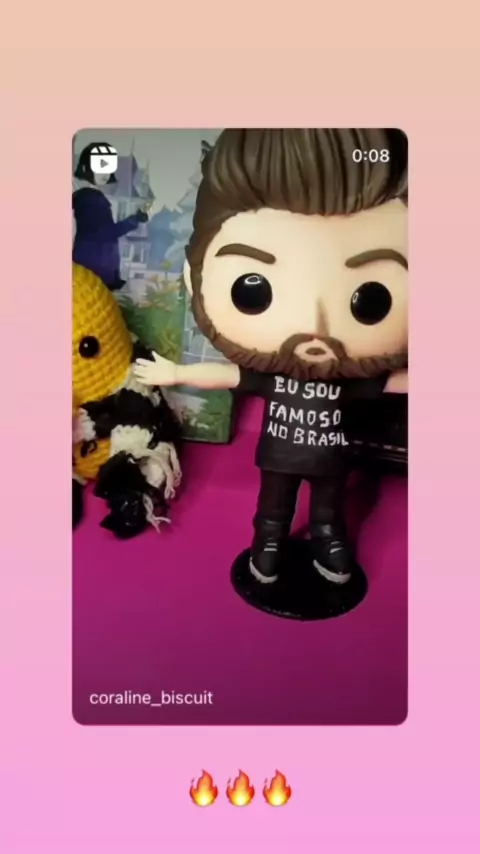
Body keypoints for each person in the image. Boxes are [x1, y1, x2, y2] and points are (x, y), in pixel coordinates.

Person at [134, 128, 408, 586]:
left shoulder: (347, 380)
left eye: (372, 299)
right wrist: (176, 371)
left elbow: (393, 383)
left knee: (328, 512)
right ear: (193, 276)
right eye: (253, 290)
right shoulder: (273, 376)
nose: (315, 323)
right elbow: (227, 376)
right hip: (279, 458)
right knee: (273, 507)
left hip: (333, 461)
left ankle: (328, 540)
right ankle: (269, 541)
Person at [72, 142, 150, 291]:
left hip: (96, 262)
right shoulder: (90, 198)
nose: (105, 173)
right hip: (95, 264)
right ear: (85, 168)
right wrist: (135, 219)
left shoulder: (90, 196)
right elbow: (106, 232)